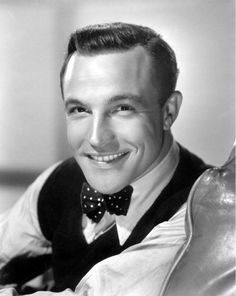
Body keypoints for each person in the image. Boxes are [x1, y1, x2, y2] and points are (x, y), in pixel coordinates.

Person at [0, 22, 210, 295]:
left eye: (123, 108)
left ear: (168, 112)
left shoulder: (202, 216)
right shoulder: (62, 178)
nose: (97, 138)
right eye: (80, 109)